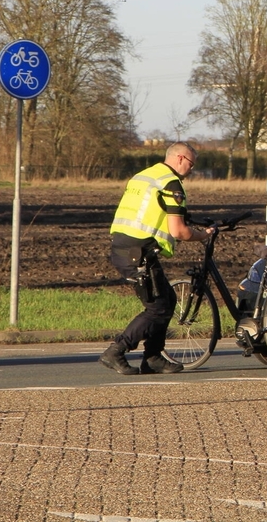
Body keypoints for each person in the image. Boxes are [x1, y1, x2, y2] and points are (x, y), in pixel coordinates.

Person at [99, 141, 214, 375]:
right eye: (192, 164)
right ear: (181, 159)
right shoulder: (171, 183)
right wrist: (203, 235)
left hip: (125, 247)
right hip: (138, 253)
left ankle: (153, 357)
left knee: (167, 300)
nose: (192, 170)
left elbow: (158, 210)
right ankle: (116, 350)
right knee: (157, 308)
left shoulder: (145, 176)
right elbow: (178, 231)